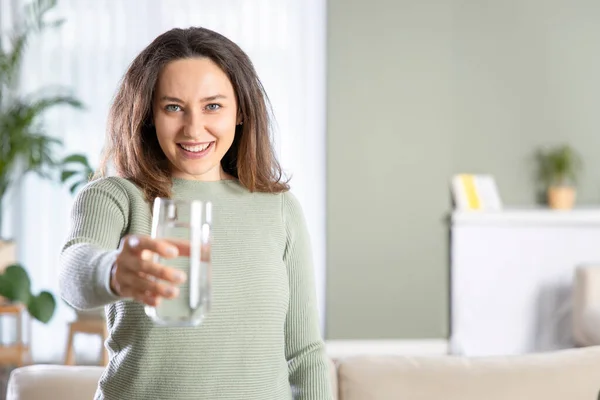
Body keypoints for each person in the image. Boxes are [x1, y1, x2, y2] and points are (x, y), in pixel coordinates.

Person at [58, 26, 332, 400]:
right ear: (148, 115)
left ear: (240, 112)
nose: (193, 127)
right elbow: (73, 271)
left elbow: (305, 357)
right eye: (173, 107)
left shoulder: (279, 208)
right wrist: (113, 271)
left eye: (212, 106)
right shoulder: (116, 196)